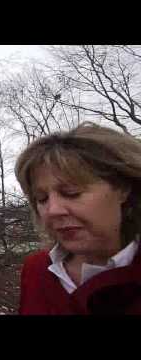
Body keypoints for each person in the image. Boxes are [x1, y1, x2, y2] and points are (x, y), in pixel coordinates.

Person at [15, 122, 141, 314]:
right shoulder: (37, 270)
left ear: (123, 189)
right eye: (42, 199)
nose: (53, 210)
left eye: (71, 193)